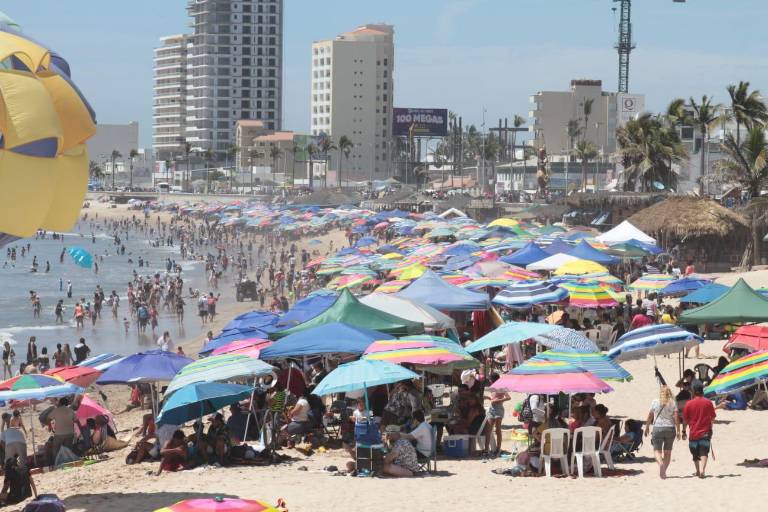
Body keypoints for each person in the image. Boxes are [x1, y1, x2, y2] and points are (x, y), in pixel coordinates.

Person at [645, 385, 681, 479]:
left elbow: (650, 415)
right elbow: (676, 417)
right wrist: (678, 430)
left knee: (657, 450)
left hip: (657, 428)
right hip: (670, 428)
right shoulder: (673, 402)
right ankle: (663, 471)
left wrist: (647, 426)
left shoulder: (655, 401)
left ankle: (660, 464)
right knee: (668, 452)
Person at [682, 383, 716, 478]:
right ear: (702, 391)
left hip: (693, 432)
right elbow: (712, 417)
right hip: (706, 431)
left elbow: (685, 420)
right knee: (704, 451)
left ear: (693, 391)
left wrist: (683, 431)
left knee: (695, 452)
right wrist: (710, 427)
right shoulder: (708, 402)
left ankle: (697, 470)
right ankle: (702, 470)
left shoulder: (689, 404)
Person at [484, 374, 510, 456]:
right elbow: (493, 398)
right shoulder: (492, 388)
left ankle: (498, 448)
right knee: (488, 430)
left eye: (490, 380)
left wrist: (499, 400)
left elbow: (508, 397)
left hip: (499, 409)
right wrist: (488, 398)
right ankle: (486, 450)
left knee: (497, 429)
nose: (489, 381)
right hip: (492, 409)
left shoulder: (501, 387)